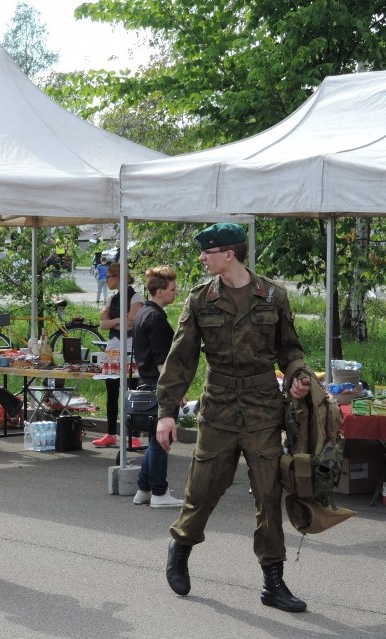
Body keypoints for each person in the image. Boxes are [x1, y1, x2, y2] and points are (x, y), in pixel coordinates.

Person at [155, 223, 312, 612]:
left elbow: (290, 350)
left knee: (268, 493)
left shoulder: (273, 296)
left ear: (229, 254)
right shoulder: (200, 300)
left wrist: (298, 378)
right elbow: (181, 361)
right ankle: (181, 547)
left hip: (262, 408)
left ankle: (273, 583)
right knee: (203, 487)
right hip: (220, 407)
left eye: (207, 252)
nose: (202, 258)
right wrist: (165, 412)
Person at [131, 266, 183, 509]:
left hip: (146, 382)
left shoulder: (143, 313)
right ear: (160, 291)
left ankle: (144, 488)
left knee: (154, 438)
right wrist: (175, 390)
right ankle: (159, 492)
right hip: (158, 384)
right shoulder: (156, 318)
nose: (176, 292)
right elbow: (163, 361)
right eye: (172, 289)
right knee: (162, 439)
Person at [93, 262, 143, 449]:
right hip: (112, 350)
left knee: (132, 393)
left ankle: (135, 434)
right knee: (111, 393)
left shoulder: (135, 296)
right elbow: (102, 324)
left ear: (118, 277)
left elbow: (131, 323)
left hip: (130, 350)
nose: (106, 280)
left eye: (109, 277)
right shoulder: (112, 300)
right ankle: (111, 433)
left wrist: (115, 322)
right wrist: (117, 321)